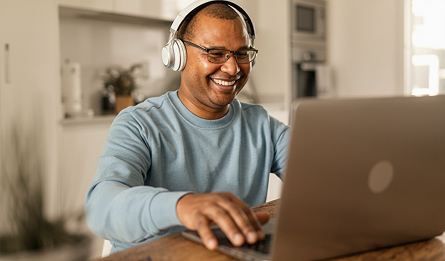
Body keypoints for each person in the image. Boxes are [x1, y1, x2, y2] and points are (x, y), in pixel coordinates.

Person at [85, 0, 290, 254]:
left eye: (241, 53)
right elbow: (101, 206)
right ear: (177, 56)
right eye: (215, 53)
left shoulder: (262, 125)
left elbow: (321, 172)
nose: (233, 68)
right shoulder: (138, 124)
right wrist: (182, 205)